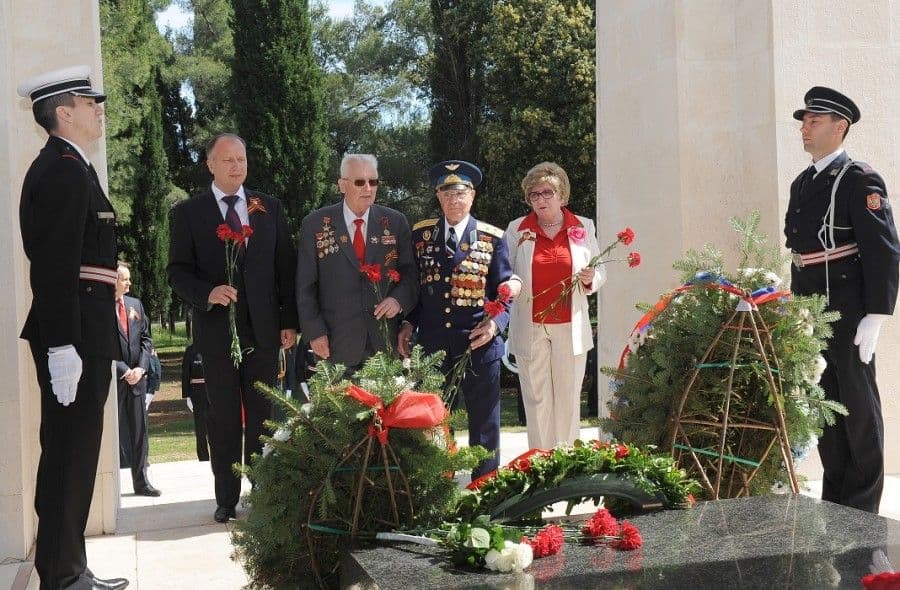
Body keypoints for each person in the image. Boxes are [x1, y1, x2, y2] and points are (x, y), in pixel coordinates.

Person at [17, 65, 130, 590]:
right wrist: (62, 343)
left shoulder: (73, 167)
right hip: (75, 335)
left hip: (85, 329)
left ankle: (69, 568)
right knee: (68, 454)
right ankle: (62, 576)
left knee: (77, 453)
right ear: (64, 112)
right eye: (89, 103)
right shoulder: (62, 169)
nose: (98, 109)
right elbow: (54, 265)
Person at [167, 133, 298, 523]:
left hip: (264, 331)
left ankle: (263, 492)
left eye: (241, 159)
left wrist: (289, 322)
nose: (236, 166)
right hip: (216, 333)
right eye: (227, 160)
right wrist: (208, 292)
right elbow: (176, 273)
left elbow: (285, 270)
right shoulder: (189, 213)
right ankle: (226, 497)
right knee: (222, 417)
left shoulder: (267, 208)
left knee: (263, 415)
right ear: (210, 164)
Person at [785, 86, 900, 513]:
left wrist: (876, 313)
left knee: (858, 404)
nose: (804, 128)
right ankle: (837, 497)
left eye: (814, 121)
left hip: (848, 309)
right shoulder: (803, 182)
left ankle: (864, 507)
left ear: (840, 126)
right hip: (811, 311)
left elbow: (883, 249)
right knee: (823, 405)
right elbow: (801, 252)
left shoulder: (859, 179)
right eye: (803, 121)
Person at [398, 160, 513, 477]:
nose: (454, 200)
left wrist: (494, 325)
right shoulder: (420, 236)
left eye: (460, 193)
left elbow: (505, 292)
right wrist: (408, 323)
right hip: (434, 345)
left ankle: (484, 490)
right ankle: (436, 487)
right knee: (432, 420)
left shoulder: (492, 238)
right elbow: (417, 290)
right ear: (438, 197)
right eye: (446, 194)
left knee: (484, 424)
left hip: (479, 344)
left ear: (472, 196)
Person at [504, 162, 604, 449]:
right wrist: (510, 283)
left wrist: (590, 278)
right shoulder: (517, 229)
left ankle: (568, 463)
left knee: (568, 399)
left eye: (547, 192)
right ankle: (540, 463)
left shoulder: (583, 226)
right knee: (536, 401)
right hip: (531, 327)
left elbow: (600, 271)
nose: (541, 199)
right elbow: (505, 269)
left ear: (562, 195)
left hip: (570, 327)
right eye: (534, 194)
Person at [296, 154, 417, 371]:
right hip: (335, 345)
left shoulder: (395, 222)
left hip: (384, 346)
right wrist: (314, 332)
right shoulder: (314, 224)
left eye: (373, 181)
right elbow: (305, 286)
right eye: (360, 182)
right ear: (342, 185)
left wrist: (398, 300)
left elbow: (410, 274)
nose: (368, 188)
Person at [114, 262, 160, 496]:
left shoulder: (135, 305)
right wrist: (123, 370)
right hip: (113, 380)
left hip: (137, 380)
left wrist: (141, 369)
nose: (129, 283)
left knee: (139, 432)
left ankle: (141, 482)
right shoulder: (102, 308)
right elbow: (102, 344)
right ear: (114, 280)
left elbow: (146, 339)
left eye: (129, 279)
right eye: (125, 279)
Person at [181, 342, 211, 462]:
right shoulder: (191, 350)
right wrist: (187, 395)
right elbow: (185, 373)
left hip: (213, 393)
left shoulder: (214, 346)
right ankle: (203, 457)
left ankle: (217, 455)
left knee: (215, 426)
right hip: (197, 394)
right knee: (200, 428)